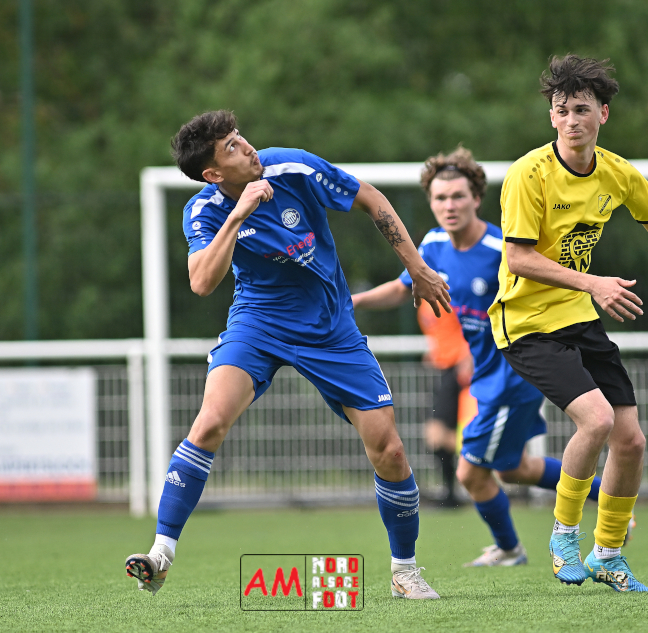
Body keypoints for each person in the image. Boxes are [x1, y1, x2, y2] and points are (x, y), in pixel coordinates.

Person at [124, 110, 451, 600]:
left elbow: (370, 198)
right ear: (213, 174)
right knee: (209, 423)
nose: (247, 147)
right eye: (231, 148)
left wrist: (418, 269)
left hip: (329, 327)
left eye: (240, 137)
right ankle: (160, 556)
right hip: (259, 323)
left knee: (390, 450)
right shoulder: (204, 210)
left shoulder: (293, 167)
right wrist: (239, 214)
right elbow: (201, 281)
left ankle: (404, 571)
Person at [489, 55, 648, 592]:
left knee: (631, 441)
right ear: (551, 118)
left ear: (603, 114)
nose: (571, 119)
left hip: (578, 317)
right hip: (527, 323)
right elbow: (518, 259)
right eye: (561, 110)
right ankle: (563, 536)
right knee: (595, 421)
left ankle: (608, 554)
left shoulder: (615, 171)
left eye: (581, 109)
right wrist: (594, 283)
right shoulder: (528, 173)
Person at [352, 147, 605, 569]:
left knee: (470, 472)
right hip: (487, 374)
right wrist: (353, 302)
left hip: (513, 373)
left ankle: (510, 549)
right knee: (514, 468)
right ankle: (609, 497)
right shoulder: (433, 245)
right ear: (431, 202)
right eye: (440, 198)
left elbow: (550, 291)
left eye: (458, 196)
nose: (449, 205)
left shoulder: (500, 248)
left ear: (477, 199)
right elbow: (403, 287)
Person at [415, 301, 473, 509]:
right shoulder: (422, 301)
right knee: (438, 436)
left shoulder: (449, 294)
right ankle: (450, 494)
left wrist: (468, 356)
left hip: (459, 369)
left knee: (437, 435)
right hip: (445, 369)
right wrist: (436, 352)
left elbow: (474, 321)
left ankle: (454, 492)